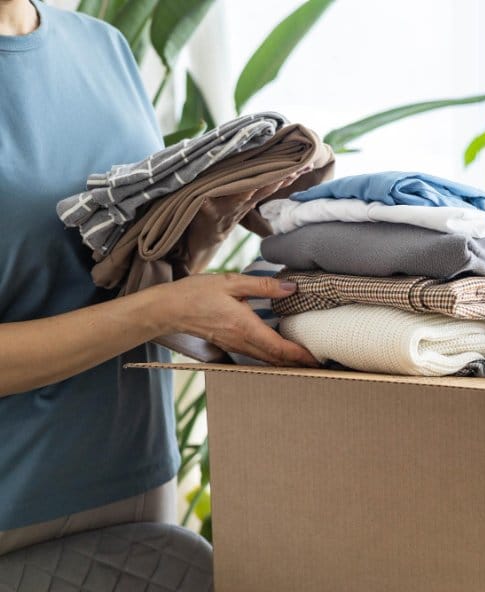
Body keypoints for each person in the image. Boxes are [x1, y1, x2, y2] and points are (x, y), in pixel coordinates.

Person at [0, 0, 317, 553]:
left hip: (134, 474)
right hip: (14, 500)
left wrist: (205, 220)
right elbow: (147, 306)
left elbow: (123, 268)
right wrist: (167, 309)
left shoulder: (102, 48)